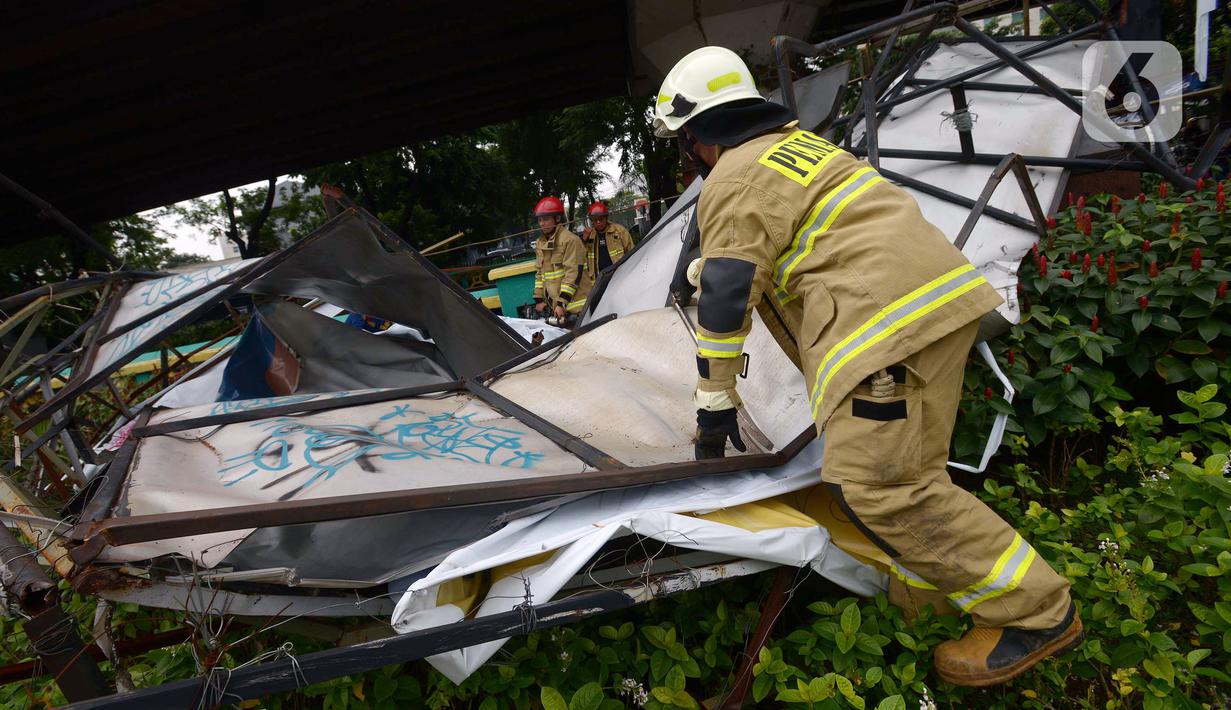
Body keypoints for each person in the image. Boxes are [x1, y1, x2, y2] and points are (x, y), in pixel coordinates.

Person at [654, 45, 1080, 687]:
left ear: (695, 136)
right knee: (909, 471)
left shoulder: (733, 177)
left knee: (881, 483)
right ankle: (937, 594)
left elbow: (725, 302)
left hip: (888, 335)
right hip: (932, 308)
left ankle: (1039, 613)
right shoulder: (802, 149)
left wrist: (713, 408)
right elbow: (809, 242)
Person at [571, 200, 635, 316]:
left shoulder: (619, 231)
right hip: (597, 281)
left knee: (621, 306)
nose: (598, 222)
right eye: (595, 220)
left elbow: (632, 253)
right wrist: (584, 240)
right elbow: (578, 257)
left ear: (606, 218)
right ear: (592, 221)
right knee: (599, 310)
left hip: (619, 277)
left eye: (601, 219)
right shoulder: (589, 235)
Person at [530, 196, 586, 324]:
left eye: (546, 219)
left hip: (577, 307)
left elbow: (573, 274)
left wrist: (562, 303)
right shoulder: (540, 243)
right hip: (557, 309)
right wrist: (539, 299)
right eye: (539, 219)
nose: (542, 223)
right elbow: (540, 274)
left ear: (557, 218)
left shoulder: (570, 240)